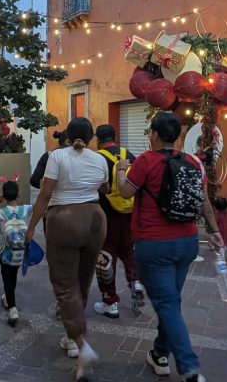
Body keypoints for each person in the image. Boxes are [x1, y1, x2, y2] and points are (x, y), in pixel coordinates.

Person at [115, 111, 223, 382]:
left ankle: (189, 368)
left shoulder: (145, 161)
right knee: (171, 301)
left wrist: (119, 169)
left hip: (154, 246)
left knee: (167, 304)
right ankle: (160, 354)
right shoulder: (194, 162)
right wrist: (214, 231)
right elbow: (204, 201)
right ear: (177, 137)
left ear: (153, 134)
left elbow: (126, 192)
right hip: (186, 243)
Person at [26, 117, 108, 380]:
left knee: (64, 283)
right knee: (83, 279)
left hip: (64, 220)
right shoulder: (99, 159)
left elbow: (45, 194)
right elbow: (104, 189)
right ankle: (72, 337)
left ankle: (81, 344)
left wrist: (31, 227)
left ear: (67, 136)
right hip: (95, 219)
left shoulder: (57, 156)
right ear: (92, 137)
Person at [92, 124, 144, 319]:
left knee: (106, 256)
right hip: (129, 213)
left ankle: (109, 301)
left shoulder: (97, 158)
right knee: (128, 251)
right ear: (114, 137)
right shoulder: (129, 154)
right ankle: (136, 281)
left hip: (106, 215)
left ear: (98, 139)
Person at [0, 179, 32, 327]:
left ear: (4, 196)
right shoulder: (25, 209)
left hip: (4, 251)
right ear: (18, 194)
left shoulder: (1, 212)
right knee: (13, 277)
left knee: (6, 278)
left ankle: (12, 308)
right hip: (19, 250)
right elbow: (42, 209)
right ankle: (8, 299)